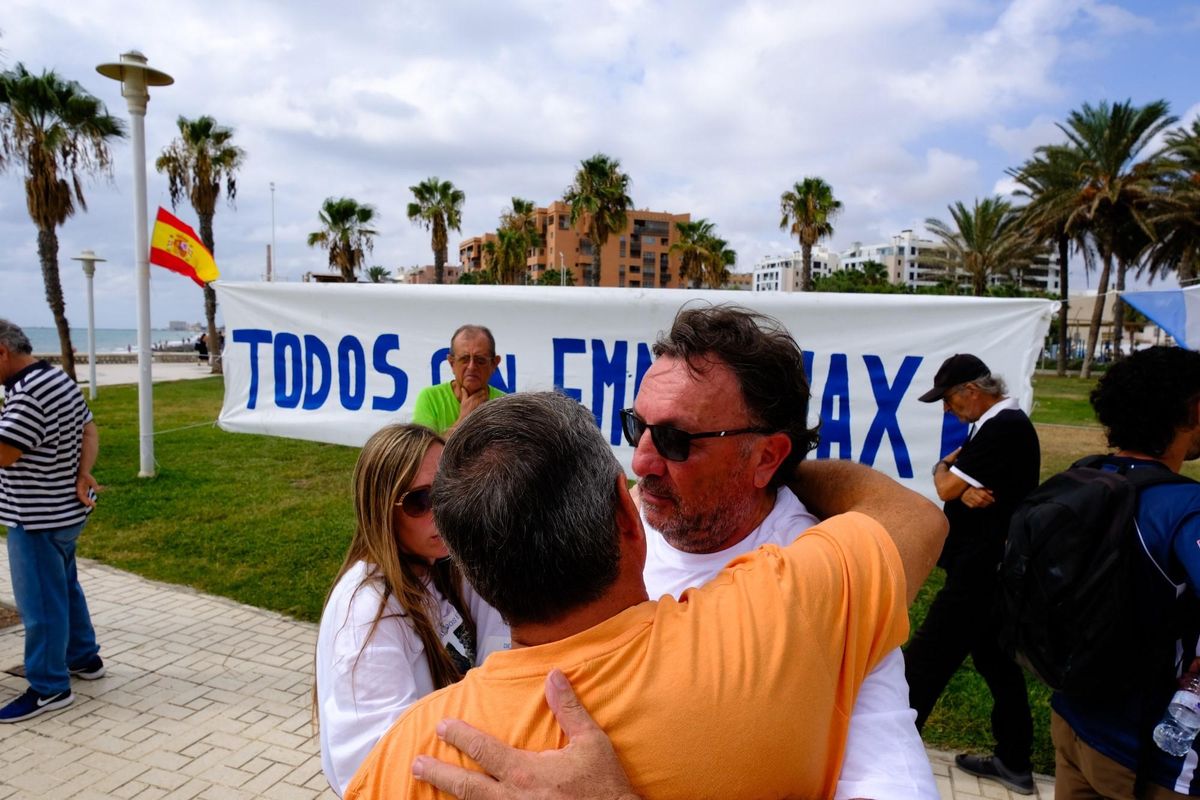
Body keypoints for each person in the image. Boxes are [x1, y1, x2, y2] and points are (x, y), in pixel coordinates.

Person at [345, 390, 948, 799]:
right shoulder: (770, 625)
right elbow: (916, 519)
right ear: (628, 515)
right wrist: (766, 469)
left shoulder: (411, 757)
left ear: (468, 566)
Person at [628, 304, 938, 799]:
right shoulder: (618, 524)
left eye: (675, 440)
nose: (641, 460)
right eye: (636, 426)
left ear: (767, 456)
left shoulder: (824, 579)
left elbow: (890, 782)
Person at [314, 423, 509, 796]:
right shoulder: (369, 610)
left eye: (449, 492)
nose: (442, 512)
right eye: (420, 501)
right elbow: (376, 761)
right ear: (381, 510)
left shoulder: (443, 567)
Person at [1051, 346, 1200, 799]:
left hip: (1072, 717)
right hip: (1143, 748)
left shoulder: (1085, 476)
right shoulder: (1184, 506)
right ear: (1191, 411)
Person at [904, 353, 1040, 794]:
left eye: (948, 400)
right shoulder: (999, 426)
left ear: (972, 392)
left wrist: (947, 475)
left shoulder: (1004, 428)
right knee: (995, 662)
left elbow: (944, 484)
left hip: (979, 572)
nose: (948, 409)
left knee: (926, 660)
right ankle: (1014, 759)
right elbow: (955, 489)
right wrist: (959, 490)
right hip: (988, 567)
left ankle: (890, 750)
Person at [0, 319, 104, 723]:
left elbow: (5, 454)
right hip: (64, 511)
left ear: (3, 352)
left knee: (41, 605)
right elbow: (89, 430)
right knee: (64, 588)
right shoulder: (57, 378)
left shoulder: (27, 395)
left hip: (36, 517)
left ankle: (49, 687)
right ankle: (84, 658)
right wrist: (81, 474)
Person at [412, 325, 504, 434]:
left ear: (494, 364)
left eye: (480, 360)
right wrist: (464, 419)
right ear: (452, 363)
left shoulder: (503, 404)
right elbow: (422, 450)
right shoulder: (430, 398)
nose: (471, 367)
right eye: (464, 359)